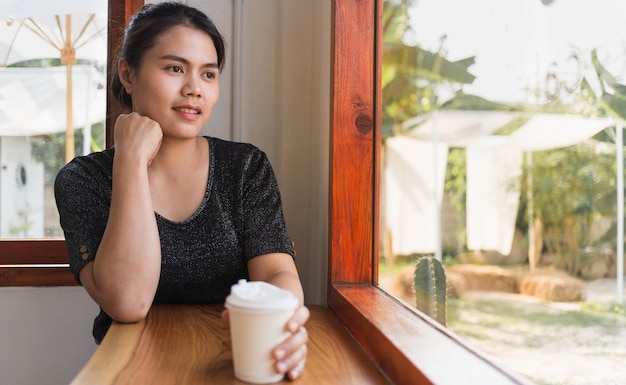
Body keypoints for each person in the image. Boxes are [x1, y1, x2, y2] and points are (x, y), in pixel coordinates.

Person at [54, 2, 309, 380]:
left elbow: (275, 272)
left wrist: (285, 319)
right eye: (175, 68)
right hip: (129, 371)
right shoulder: (84, 179)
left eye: (208, 74)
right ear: (128, 73)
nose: (194, 89)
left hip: (236, 364)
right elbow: (128, 301)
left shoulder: (245, 168)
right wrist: (129, 162)